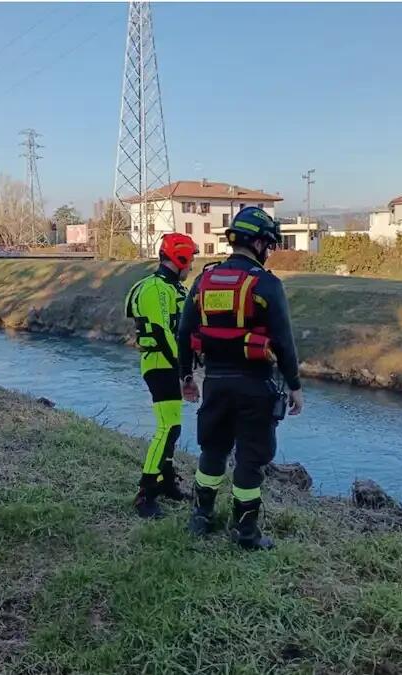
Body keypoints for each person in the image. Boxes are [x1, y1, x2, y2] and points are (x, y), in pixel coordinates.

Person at [177, 206, 304, 551]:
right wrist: (294, 385)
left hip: (214, 383)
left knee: (212, 450)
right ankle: (245, 532)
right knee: (250, 458)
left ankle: (201, 517)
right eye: (269, 245)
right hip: (255, 385)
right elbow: (283, 341)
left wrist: (186, 375)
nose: (269, 251)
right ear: (259, 243)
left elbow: (185, 331)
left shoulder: (204, 280)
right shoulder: (267, 284)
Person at [125, 233, 197, 518]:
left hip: (169, 363)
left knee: (173, 427)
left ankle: (166, 481)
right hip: (159, 363)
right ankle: (146, 492)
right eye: (190, 260)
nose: (191, 266)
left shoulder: (174, 288)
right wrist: (183, 371)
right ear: (179, 258)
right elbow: (161, 333)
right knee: (167, 428)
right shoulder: (155, 289)